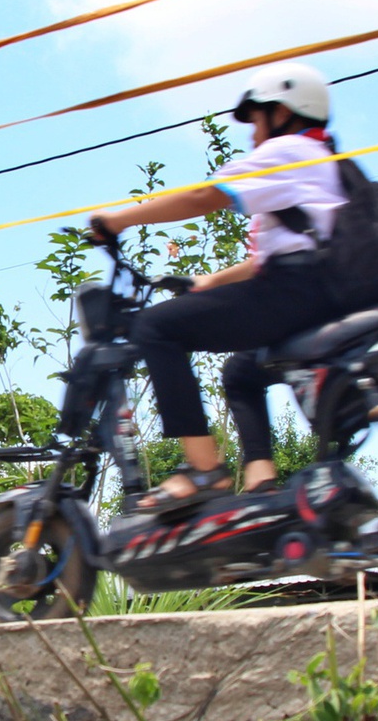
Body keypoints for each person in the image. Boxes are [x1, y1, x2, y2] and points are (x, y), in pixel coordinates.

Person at [88, 62, 345, 514]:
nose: (253, 133)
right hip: (314, 288)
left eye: (258, 118)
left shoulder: (288, 151)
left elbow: (206, 197)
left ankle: (205, 469)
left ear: (285, 112)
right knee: (241, 373)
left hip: (295, 289)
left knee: (154, 329)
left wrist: (118, 220)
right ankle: (262, 488)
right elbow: (264, 261)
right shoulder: (318, 161)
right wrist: (208, 282)